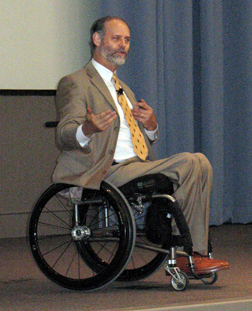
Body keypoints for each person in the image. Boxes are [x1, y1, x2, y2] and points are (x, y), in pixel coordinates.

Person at [53, 16, 230, 274]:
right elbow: (64, 134)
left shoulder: (123, 89)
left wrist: (151, 126)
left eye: (127, 40)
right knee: (191, 162)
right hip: (106, 169)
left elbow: (138, 139)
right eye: (116, 38)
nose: (123, 45)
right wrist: (88, 128)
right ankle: (184, 247)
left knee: (200, 163)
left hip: (137, 165)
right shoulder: (76, 82)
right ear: (97, 39)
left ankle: (187, 246)